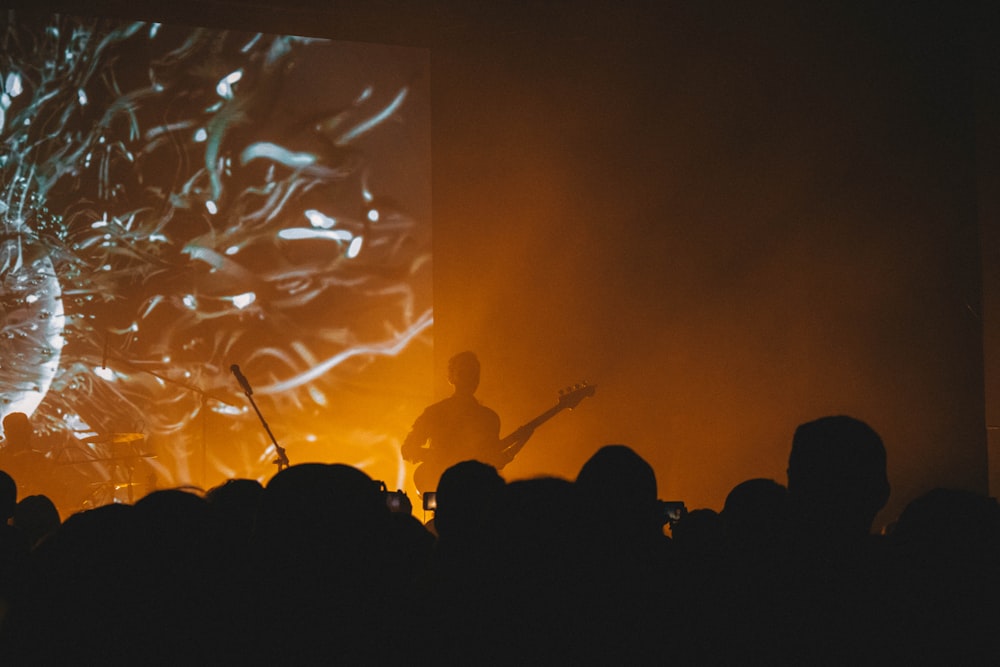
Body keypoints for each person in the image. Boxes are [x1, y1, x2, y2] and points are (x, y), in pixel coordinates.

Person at [401, 352, 532, 493]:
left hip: (476, 491)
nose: (470, 378)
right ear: (451, 377)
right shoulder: (435, 413)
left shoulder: (489, 418)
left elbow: (496, 460)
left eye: (474, 373)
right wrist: (435, 457)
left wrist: (520, 441)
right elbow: (408, 449)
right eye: (464, 372)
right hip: (443, 488)